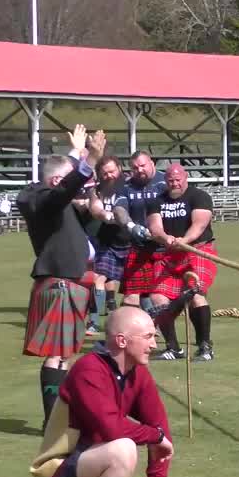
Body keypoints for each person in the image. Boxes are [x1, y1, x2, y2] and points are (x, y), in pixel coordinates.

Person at [31, 306, 174, 477]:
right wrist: (156, 436)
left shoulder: (138, 373)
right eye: (149, 336)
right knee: (124, 447)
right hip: (59, 472)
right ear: (122, 340)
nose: (154, 344)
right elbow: (112, 428)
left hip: (104, 473)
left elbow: (161, 428)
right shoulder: (88, 369)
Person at [17, 126, 108, 429]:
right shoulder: (40, 200)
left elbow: (64, 187)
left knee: (66, 355)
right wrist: (89, 158)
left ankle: (62, 418)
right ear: (58, 181)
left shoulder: (52, 200)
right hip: (59, 283)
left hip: (71, 283)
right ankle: (52, 422)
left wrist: (77, 155)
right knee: (56, 355)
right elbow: (61, 189)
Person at [127, 163, 218, 361]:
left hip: (198, 250)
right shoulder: (157, 201)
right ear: (165, 181)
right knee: (158, 297)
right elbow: (155, 226)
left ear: (185, 178)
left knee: (195, 293)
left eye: (178, 180)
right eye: (170, 180)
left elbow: (199, 224)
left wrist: (184, 241)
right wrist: (165, 238)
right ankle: (173, 347)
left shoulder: (199, 196)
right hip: (169, 253)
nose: (174, 183)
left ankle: (205, 346)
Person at [87, 156, 131, 332]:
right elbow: (95, 207)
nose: (109, 176)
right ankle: (94, 321)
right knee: (99, 278)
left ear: (119, 168)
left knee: (135, 286)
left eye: (112, 171)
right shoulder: (97, 190)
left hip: (130, 241)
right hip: (107, 242)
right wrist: (105, 215)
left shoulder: (130, 186)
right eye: (104, 173)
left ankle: (144, 322)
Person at [118, 151, 167, 307]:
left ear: (151, 163)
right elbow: (120, 210)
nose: (139, 170)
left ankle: (155, 324)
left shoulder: (166, 182)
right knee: (132, 295)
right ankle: (139, 324)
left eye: (142, 165)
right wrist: (131, 226)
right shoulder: (126, 186)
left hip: (165, 247)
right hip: (139, 247)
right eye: (135, 168)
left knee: (159, 293)